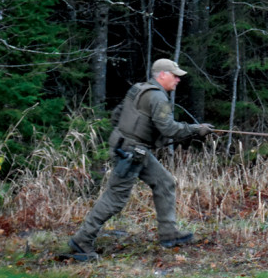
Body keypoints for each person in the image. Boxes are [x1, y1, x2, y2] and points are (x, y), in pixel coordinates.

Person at [68, 58, 213, 262]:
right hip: (132, 153)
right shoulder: (158, 98)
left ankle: (169, 233)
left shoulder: (138, 89)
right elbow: (169, 129)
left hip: (129, 148)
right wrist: (197, 130)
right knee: (115, 199)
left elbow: (117, 115)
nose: (178, 80)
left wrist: (128, 137)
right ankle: (82, 240)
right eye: (175, 75)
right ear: (162, 74)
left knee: (164, 183)